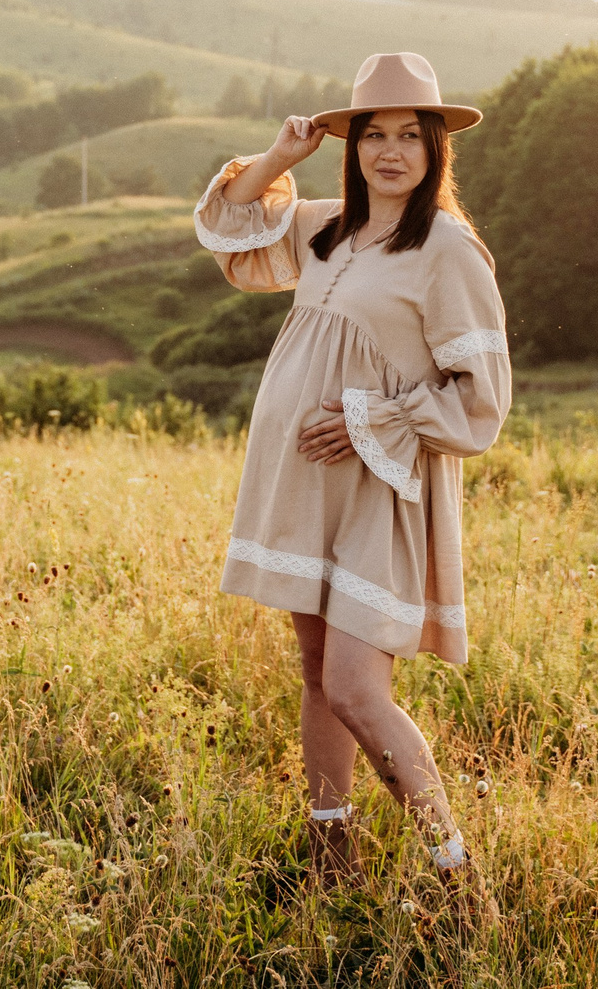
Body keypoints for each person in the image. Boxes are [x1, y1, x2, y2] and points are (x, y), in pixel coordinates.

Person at [194, 51, 510, 895]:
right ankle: (331, 853)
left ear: (436, 146)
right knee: (313, 673)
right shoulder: (330, 227)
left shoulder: (447, 248)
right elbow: (230, 229)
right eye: (375, 134)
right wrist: (277, 160)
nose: (392, 151)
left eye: (412, 134)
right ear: (353, 144)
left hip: (379, 488)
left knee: (356, 688)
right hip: (306, 486)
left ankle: (454, 867)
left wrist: (376, 416)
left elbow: (482, 396)